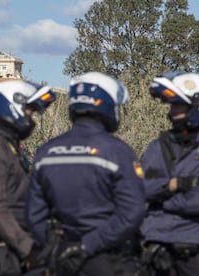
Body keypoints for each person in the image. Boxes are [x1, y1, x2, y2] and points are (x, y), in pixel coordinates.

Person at [26, 72, 146, 276]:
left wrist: (57, 248)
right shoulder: (117, 151)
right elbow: (132, 212)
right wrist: (87, 246)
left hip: (61, 259)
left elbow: (33, 215)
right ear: (107, 105)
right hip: (108, 258)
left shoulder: (45, 152)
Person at [140, 71, 199, 276]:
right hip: (155, 244)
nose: (172, 111)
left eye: (178, 105)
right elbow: (139, 188)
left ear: (197, 104)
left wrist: (160, 202)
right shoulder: (156, 147)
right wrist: (176, 185)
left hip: (195, 245)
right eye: (171, 105)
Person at [0, 79, 56, 276]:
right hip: (1, 255)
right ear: (13, 107)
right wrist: (29, 249)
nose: (32, 119)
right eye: (29, 111)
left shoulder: (6, 145)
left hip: (11, 250)